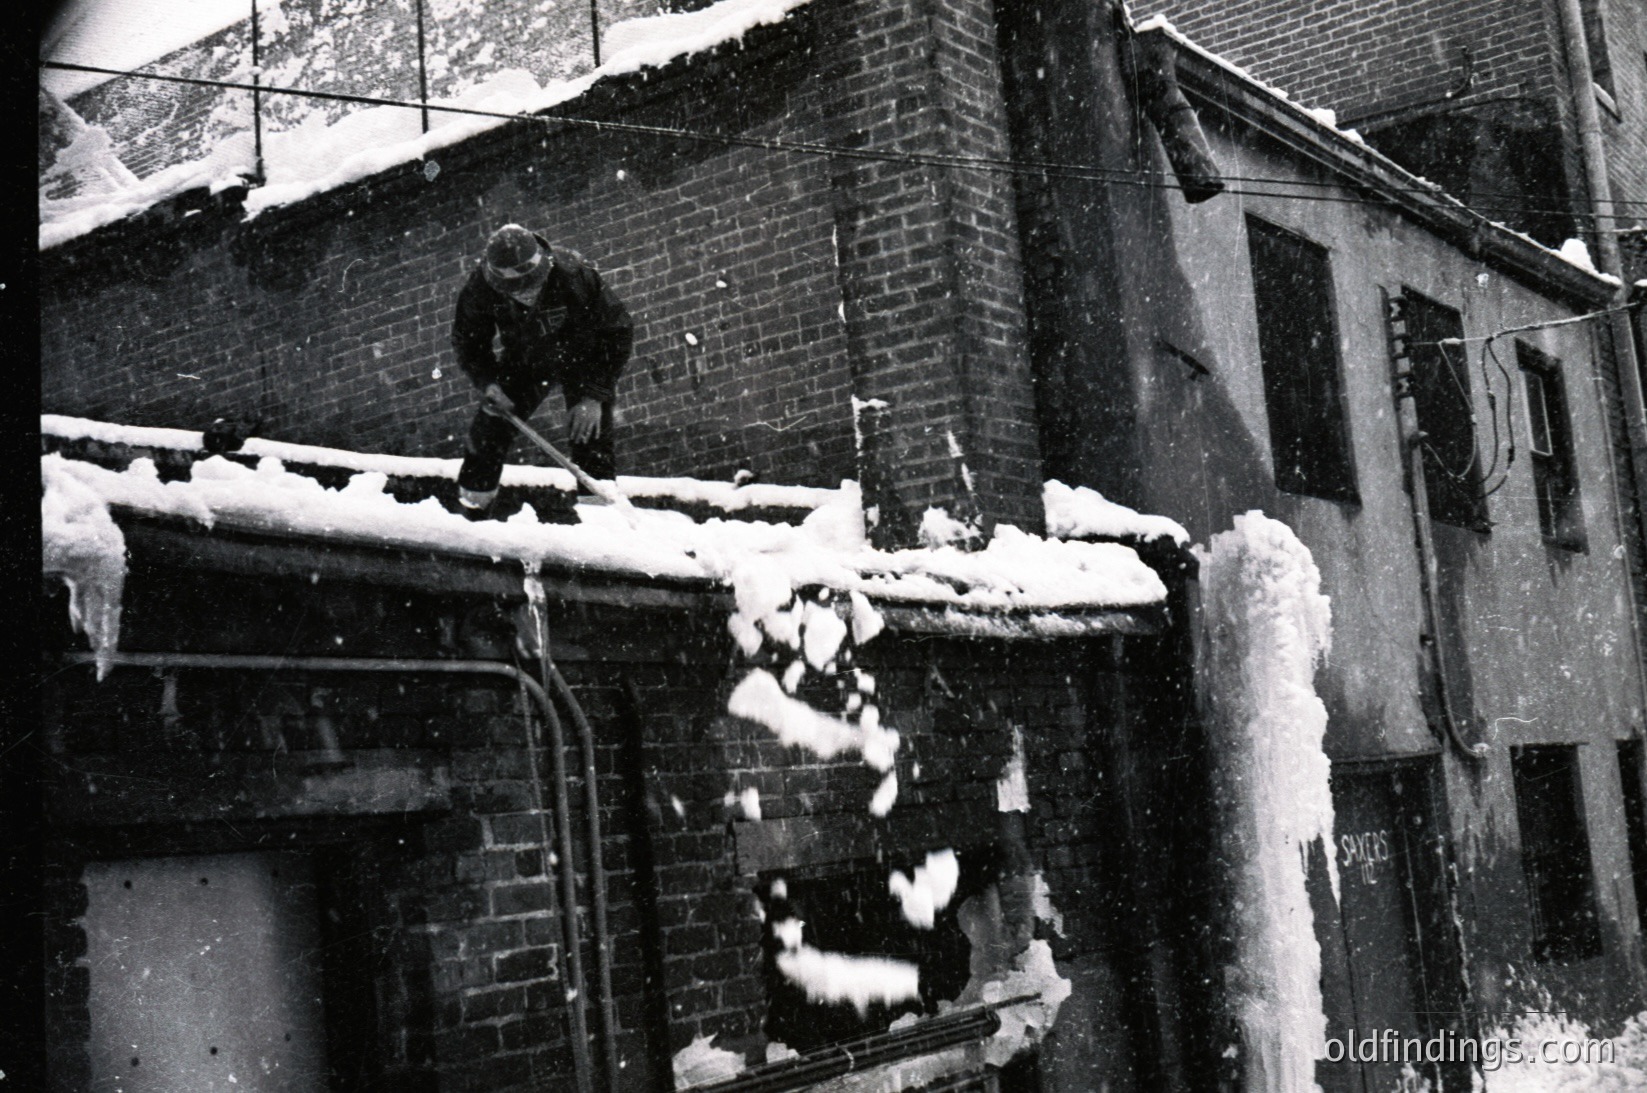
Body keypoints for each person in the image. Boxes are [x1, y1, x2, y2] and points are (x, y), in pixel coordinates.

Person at [451, 223, 634, 515]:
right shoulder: (480, 288)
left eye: (533, 286)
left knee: (590, 435)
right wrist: (489, 383)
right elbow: (469, 344)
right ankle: (471, 515)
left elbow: (618, 331)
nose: (527, 295)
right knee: (488, 431)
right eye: (516, 290)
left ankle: (602, 522)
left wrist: (593, 396)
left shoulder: (574, 275)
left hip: (582, 360)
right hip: (525, 361)